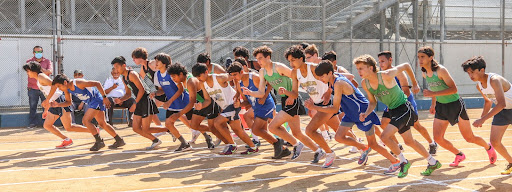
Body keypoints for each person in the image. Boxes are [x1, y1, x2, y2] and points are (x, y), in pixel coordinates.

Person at [354, 54, 441, 178]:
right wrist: (366, 113)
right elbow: (373, 102)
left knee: (384, 136)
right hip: (394, 111)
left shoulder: (385, 75)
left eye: (361, 68)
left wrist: (415, 84)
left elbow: (406, 65)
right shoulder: (365, 83)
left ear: (371, 68)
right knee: (409, 141)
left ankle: (403, 162)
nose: (359, 71)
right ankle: (433, 162)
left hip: (404, 108)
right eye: (357, 69)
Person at [311, 60, 401, 173]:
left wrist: (314, 107)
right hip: (350, 114)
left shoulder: (338, 83)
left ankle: (395, 161)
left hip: (362, 112)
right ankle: (363, 147)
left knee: (373, 143)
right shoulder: (333, 78)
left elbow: (335, 109)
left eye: (322, 76)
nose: (320, 79)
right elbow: (347, 76)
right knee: (339, 137)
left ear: (329, 73)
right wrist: (329, 91)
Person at [419, 46, 497, 168]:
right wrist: (433, 103)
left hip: (455, 105)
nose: (420, 59)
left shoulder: (441, 70)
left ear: (431, 57)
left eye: (422, 57)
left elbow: (454, 89)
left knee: (469, 138)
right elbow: (434, 89)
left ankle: (488, 147)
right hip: (441, 106)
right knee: (438, 138)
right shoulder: (424, 72)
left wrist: (433, 94)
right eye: (418, 57)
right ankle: (459, 154)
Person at [246, 46, 320, 162]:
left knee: (272, 127)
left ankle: (296, 144)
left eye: (260, 58)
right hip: (286, 99)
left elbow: (297, 77)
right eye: (257, 59)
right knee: (296, 132)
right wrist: (251, 93)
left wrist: (291, 95)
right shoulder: (262, 72)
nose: (258, 61)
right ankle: (317, 150)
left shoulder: (278, 67)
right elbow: (261, 92)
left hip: (292, 98)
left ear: (268, 57)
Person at [285, 45, 339, 168]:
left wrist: (329, 92)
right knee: (340, 132)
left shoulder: (314, 68)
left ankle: (329, 153)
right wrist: (286, 93)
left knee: (310, 130)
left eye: (293, 60)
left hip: (326, 103)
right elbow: (294, 93)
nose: (291, 63)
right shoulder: (295, 73)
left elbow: (332, 77)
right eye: (289, 61)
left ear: (301, 58)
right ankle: (362, 147)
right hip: (317, 104)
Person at [376, 51, 437, 155]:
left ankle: (432, 143)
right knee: (384, 123)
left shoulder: (397, 72)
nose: (380, 64)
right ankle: (397, 145)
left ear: (390, 60)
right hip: (392, 104)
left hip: (405, 102)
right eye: (379, 62)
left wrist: (413, 85)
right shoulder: (381, 75)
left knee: (417, 125)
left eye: (383, 61)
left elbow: (406, 91)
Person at [462, 56, 512, 175]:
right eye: (468, 73)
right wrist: (481, 118)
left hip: (504, 107)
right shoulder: (479, 85)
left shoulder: (494, 80)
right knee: (494, 142)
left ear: (482, 70)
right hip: (503, 111)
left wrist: (483, 119)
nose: (470, 76)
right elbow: (488, 101)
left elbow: (501, 103)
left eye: (472, 72)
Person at [192, 63, 257, 155]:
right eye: (196, 77)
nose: (198, 78)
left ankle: (232, 145)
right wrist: (201, 106)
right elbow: (207, 100)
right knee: (237, 130)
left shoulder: (219, 78)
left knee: (217, 122)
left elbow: (235, 77)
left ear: (206, 72)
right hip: (225, 107)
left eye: (199, 76)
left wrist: (238, 93)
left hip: (233, 104)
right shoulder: (203, 84)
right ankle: (253, 147)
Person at [48, 74, 125, 151]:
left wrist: (104, 97)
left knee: (85, 120)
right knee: (102, 123)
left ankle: (99, 141)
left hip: (96, 99)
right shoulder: (67, 89)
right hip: (92, 102)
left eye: (59, 86)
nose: (59, 89)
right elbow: (68, 102)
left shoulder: (78, 83)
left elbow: (97, 83)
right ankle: (119, 140)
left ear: (65, 82)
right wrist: (58, 104)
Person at [23, 62, 91, 148]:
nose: (27, 73)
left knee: (69, 127)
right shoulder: (39, 78)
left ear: (33, 70)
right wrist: (46, 109)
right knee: (47, 125)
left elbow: (54, 85)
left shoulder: (41, 76)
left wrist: (47, 101)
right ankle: (66, 139)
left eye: (28, 71)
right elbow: (47, 93)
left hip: (59, 100)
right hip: (53, 102)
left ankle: (92, 130)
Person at [111, 56, 168, 150]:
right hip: (139, 102)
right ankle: (155, 140)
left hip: (145, 100)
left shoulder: (132, 74)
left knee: (146, 129)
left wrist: (134, 104)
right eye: (114, 67)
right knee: (136, 128)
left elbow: (142, 90)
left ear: (124, 65)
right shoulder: (123, 78)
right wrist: (121, 99)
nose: (116, 69)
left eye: (117, 67)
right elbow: (128, 94)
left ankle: (169, 129)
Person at [230, 60, 280, 156]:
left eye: (235, 74)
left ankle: (278, 143)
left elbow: (270, 83)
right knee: (261, 129)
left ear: (241, 71)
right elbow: (247, 101)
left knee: (258, 129)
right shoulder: (239, 84)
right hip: (257, 106)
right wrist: (239, 104)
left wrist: (264, 97)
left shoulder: (254, 77)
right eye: (232, 75)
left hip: (266, 104)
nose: (234, 77)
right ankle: (281, 147)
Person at [167, 63, 221, 150]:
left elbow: (191, 102)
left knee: (212, 126)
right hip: (201, 103)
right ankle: (217, 132)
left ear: (181, 74)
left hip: (210, 102)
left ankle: (224, 136)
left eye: (174, 76)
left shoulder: (190, 82)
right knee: (194, 125)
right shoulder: (183, 80)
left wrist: (179, 114)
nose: (173, 79)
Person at [151, 53, 193, 152]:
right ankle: (184, 143)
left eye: (157, 61)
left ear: (164, 63)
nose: (155, 63)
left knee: (194, 124)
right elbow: (162, 89)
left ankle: (208, 136)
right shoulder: (157, 74)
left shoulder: (171, 73)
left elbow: (181, 89)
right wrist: (155, 93)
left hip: (183, 101)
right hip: (173, 104)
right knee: (168, 124)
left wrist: (169, 101)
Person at [131, 47, 164, 128]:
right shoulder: (143, 67)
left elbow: (165, 69)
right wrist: (130, 73)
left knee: (150, 107)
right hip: (160, 91)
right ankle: (161, 128)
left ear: (140, 57)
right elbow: (139, 78)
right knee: (151, 108)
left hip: (165, 90)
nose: (133, 60)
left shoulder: (152, 64)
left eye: (134, 58)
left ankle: (161, 128)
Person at [26, 46, 52, 128]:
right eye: (36, 52)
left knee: (47, 105)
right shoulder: (29, 62)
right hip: (32, 88)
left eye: (40, 52)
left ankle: (48, 123)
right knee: (33, 106)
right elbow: (30, 74)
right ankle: (33, 123)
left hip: (44, 88)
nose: (38, 54)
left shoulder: (47, 61)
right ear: (33, 53)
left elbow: (49, 71)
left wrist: (39, 67)